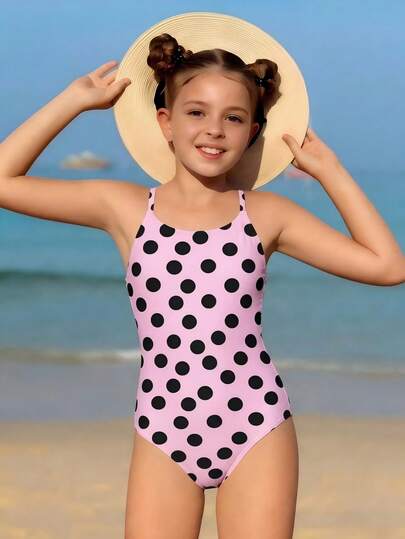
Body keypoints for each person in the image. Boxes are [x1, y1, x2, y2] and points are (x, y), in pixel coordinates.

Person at [1, 12, 404, 539]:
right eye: (196, 112)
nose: (214, 129)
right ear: (165, 122)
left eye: (234, 118)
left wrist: (331, 172)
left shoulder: (267, 215)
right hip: (162, 430)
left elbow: (387, 266)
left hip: (256, 425)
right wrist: (74, 101)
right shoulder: (124, 208)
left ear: (252, 132)